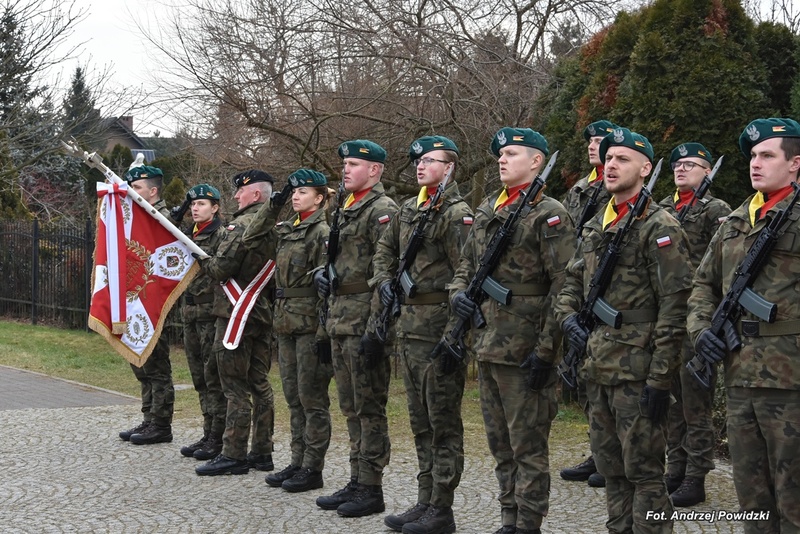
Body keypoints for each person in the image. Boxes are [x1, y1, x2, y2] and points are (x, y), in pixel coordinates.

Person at [554, 128, 693, 533]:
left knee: (645, 473)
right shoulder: (599, 222)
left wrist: (660, 378)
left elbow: (675, 307)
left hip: (638, 370)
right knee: (612, 469)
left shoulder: (659, 226)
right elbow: (570, 281)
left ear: (646, 169)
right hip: (598, 366)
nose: (611, 165)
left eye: (623, 160)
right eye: (609, 158)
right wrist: (568, 320)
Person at [449, 128, 575, 534]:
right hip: (487, 344)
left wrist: (546, 350)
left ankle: (528, 524)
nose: (502, 160)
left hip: (525, 347)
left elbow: (564, 285)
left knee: (528, 447)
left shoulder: (550, 213)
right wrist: (458, 297)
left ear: (537, 161)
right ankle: (508, 518)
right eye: (500, 154)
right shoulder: (487, 208)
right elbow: (466, 266)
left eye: (513, 153)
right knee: (500, 446)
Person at [687, 118, 800, 533]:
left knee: (794, 499)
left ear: (795, 163)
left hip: (791, 383)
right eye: (753, 155)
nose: (755, 163)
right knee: (752, 500)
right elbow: (702, 286)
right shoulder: (734, 223)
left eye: (767, 155)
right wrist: (702, 333)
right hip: (739, 379)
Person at [371, 136, 473, 534]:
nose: (420, 165)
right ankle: (424, 500)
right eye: (419, 159)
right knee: (420, 423)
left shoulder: (456, 214)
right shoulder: (410, 209)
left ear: (449, 168)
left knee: (443, 424)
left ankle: (442, 509)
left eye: (431, 161)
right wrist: (382, 280)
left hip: (437, 331)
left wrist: (454, 337)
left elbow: (466, 274)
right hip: (409, 329)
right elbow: (384, 252)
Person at [312, 140, 398, 518]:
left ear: (375, 170)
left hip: (364, 318)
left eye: (354, 164)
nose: (345, 170)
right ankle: (356, 478)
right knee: (349, 406)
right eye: (344, 163)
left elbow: (386, 275)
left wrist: (377, 329)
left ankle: (371, 485)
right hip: (340, 317)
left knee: (369, 407)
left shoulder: (382, 210)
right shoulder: (344, 208)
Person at [657, 142, 730, 507]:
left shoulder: (717, 210)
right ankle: (675, 467)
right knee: (671, 399)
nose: (681, 169)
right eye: (678, 165)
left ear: (707, 172)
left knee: (694, 402)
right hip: (668, 317)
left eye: (691, 165)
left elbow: (718, 270)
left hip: (697, 317)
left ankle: (695, 475)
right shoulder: (664, 208)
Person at [193, 169, 276, 476]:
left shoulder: (241, 224)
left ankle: (234, 453)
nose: (236, 197)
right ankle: (262, 451)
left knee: (234, 386)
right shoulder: (274, 225)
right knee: (259, 383)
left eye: (241, 191)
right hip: (261, 311)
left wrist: (204, 258)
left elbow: (221, 267)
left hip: (234, 315)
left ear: (256, 195)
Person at [263, 169, 335, 493]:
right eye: (294, 191)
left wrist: (323, 333)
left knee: (312, 398)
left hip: (309, 326)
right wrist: (273, 205)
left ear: (319, 198)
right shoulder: (288, 230)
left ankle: (313, 467)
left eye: (303, 192)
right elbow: (255, 235)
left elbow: (326, 289)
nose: (295, 196)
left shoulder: (321, 231)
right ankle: (297, 460)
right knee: (293, 396)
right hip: (285, 323)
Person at [559, 119, 617, 488]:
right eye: (592, 141)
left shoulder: (621, 187)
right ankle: (598, 450)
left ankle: (615, 455)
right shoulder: (579, 190)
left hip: (607, 289)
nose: (594, 145)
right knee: (584, 378)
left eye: (601, 141)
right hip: (579, 285)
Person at [117, 165, 175, 446]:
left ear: (153, 191)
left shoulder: (162, 219)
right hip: (138, 301)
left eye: (136, 188)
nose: (131, 192)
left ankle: (161, 423)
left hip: (154, 302)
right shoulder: (135, 217)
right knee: (141, 362)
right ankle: (149, 417)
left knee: (156, 365)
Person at [177, 184, 228, 462]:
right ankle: (207, 431)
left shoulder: (220, 235)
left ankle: (218, 436)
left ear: (215, 207)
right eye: (193, 204)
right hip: (190, 314)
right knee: (198, 377)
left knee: (213, 377)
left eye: (202, 204)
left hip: (210, 313)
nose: (195, 208)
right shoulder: (185, 236)